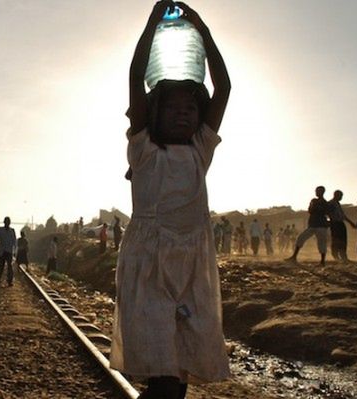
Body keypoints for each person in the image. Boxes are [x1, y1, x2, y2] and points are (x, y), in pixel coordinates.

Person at [110, 2, 231, 397]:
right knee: (163, 381)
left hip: (192, 272)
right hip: (149, 271)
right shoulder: (144, 150)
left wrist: (202, 29)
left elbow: (224, 87)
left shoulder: (199, 151)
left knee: (178, 381)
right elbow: (134, 75)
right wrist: (151, 21)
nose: (185, 114)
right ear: (153, 112)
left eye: (191, 108)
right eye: (174, 108)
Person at [286, 186, 330, 266]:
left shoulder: (325, 203)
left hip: (321, 225)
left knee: (321, 243)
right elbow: (310, 210)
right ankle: (294, 257)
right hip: (313, 224)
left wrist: (317, 209)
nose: (316, 192)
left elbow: (325, 212)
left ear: (322, 192)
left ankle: (322, 261)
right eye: (316, 191)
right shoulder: (314, 201)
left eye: (318, 191)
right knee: (300, 238)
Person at [327, 190, 357, 263]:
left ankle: (343, 256)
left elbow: (343, 215)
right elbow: (328, 213)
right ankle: (336, 256)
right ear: (336, 195)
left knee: (343, 240)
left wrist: (350, 222)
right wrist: (330, 221)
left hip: (340, 223)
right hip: (335, 223)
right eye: (340, 196)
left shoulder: (337, 203)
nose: (341, 197)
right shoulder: (331, 203)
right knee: (336, 240)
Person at [0, 217, 17, 286]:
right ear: (4, 222)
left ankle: (9, 281)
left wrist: (15, 251)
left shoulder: (12, 231)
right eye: (6, 222)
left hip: (9, 251)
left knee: (9, 266)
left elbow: (14, 242)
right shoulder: (0, 230)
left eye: (8, 222)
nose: (7, 223)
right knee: (0, 266)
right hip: (2, 251)